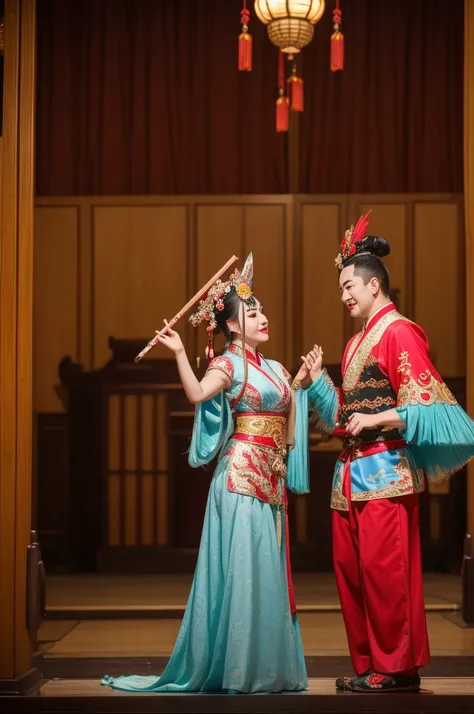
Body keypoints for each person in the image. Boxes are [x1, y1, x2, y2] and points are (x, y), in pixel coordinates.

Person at [101, 253, 310, 694]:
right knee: (241, 572)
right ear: (233, 325)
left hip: (269, 479)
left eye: (262, 310)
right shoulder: (229, 365)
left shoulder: (275, 368)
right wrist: (179, 352)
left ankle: (266, 670)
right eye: (252, 313)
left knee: (265, 570)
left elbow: (289, 428)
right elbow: (197, 394)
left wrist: (302, 385)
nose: (262, 317)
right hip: (238, 478)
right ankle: (236, 671)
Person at [300, 211, 474, 693]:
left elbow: (428, 405)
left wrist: (376, 420)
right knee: (354, 574)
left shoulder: (399, 331)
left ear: (374, 285)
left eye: (348, 286)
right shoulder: (358, 340)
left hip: (386, 471)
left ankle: (395, 668)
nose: (344, 296)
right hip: (353, 475)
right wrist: (318, 383)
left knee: (385, 573)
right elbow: (345, 413)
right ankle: (371, 663)